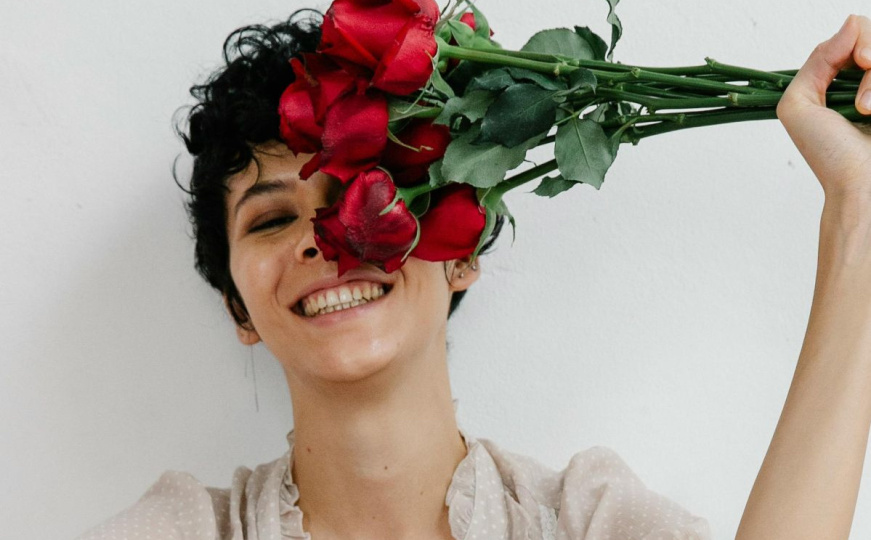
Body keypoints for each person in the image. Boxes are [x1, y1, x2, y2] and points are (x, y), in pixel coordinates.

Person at [75, 9, 871, 540]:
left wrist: (858, 204)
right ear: (237, 308)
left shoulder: (583, 520)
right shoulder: (180, 530)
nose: (323, 237)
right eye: (270, 219)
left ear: (460, 250)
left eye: (363, 192)